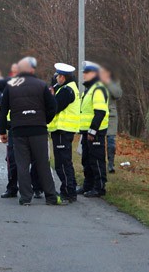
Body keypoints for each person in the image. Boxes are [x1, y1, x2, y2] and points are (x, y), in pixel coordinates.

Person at [0, 57, 62, 206]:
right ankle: (51, 196)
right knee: (42, 164)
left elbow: (3, 110)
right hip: (38, 130)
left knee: (22, 165)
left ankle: (25, 197)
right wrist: (44, 120)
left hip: (19, 130)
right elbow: (53, 106)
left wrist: (2, 131)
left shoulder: (10, 86)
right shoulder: (41, 85)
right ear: (32, 70)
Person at [0, 65, 42, 198]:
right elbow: (3, 110)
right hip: (15, 129)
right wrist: (2, 130)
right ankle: (12, 187)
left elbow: (46, 107)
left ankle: (36, 187)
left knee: (35, 159)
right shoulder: (10, 87)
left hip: (32, 128)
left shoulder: (36, 87)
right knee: (13, 160)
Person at [78, 61, 110, 198]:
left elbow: (100, 112)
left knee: (96, 160)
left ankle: (99, 187)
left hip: (95, 132)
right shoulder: (90, 89)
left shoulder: (98, 89)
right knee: (87, 159)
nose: (84, 75)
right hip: (87, 131)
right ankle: (88, 185)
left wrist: (92, 131)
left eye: (87, 73)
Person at [48, 63, 80, 202]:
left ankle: (68, 191)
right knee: (64, 162)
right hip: (63, 130)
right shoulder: (67, 88)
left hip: (63, 130)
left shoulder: (67, 90)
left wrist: (51, 97)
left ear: (64, 77)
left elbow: (55, 106)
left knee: (62, 163)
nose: (56, 79)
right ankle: (68, 189)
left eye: (58, 76)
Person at [101, 68, 123, 173]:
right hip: (98, 113)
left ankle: (110, 164)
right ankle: (99, 163)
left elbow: (118, 94)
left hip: (110, 114)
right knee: (98, 141)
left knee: (111, 141)